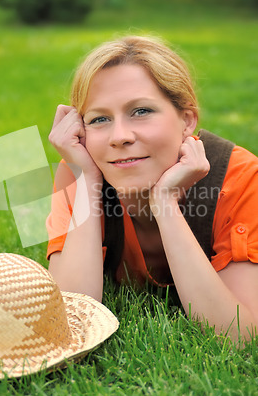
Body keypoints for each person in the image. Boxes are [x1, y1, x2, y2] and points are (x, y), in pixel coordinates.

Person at [46, 35, 258, 343]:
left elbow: (238, 335)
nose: (119, 136)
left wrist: (165, 202)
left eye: (141, 111)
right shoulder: (79, 172)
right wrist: (87, 178)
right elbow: (67, 324)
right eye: (99, 119)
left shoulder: (241, 178)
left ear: (187, 120)